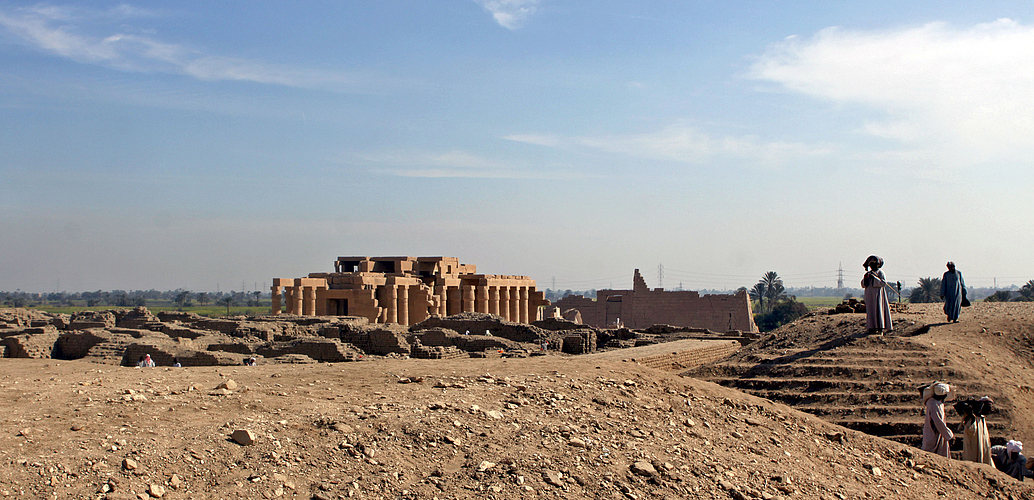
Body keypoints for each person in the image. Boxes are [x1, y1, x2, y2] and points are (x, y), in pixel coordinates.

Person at [861, 255, 893, 334]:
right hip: (869, 295)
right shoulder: (868, 273)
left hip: (878, 295)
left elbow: (883, 283)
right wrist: (866, 278)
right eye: (870, 264)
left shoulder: (880, 272)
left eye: (873, 264)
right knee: (870, 310)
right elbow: (863, 284)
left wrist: (874, 278)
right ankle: (871, 327)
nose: (872, 266)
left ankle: (880, 327)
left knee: (879, 309)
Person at [955, 397, 992, 465]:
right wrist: (971, 416)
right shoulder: (972, 420)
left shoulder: (982, 419)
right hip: (973, 454)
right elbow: (970, 430)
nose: (989, 410)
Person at [921, 381, 954, 457]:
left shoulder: (933, 402)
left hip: (936, 432)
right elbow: (938, 422)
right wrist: (949, 435)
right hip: (934, 433)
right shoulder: (934, 404)